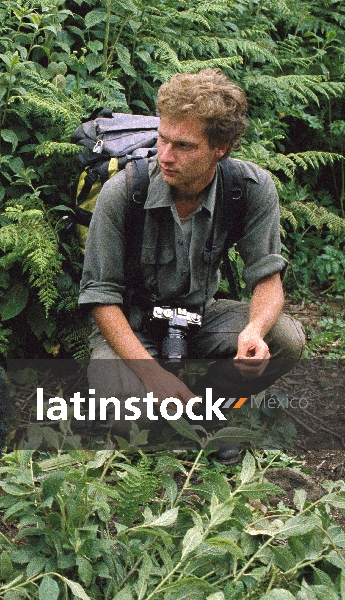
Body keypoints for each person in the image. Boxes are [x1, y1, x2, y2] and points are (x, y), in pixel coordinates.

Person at [78, 69, 305, 455]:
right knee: (127, 412)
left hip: (201, 318)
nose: (166, 155)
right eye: (163, 139)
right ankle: (164, 407)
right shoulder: (124, 191)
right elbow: (101, 298)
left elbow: (267, 278)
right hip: (131, 328)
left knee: (285, 339)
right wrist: (152, 375)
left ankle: (207, 408)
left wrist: (254, 329)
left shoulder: (249, 189)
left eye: (184, 146)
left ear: (222, 147)